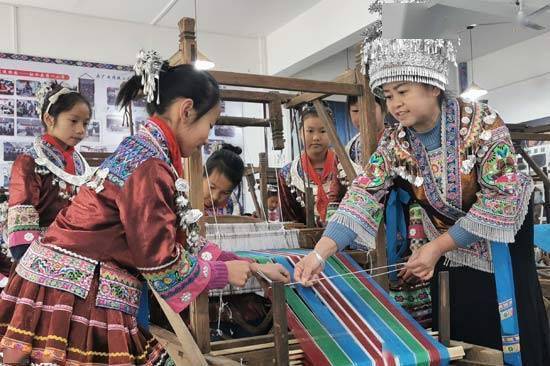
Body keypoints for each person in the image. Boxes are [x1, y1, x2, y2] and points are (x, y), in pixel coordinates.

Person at [0, 50, 289, 365]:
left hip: (70, 282)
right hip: (75, 289)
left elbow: (181, 241)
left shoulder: (146, 152)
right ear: (187, 111)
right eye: (211, 122)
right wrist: (221, 272)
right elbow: (160, 262)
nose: (208, 136)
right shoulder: (149, 164)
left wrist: (255, 266)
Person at [295, 38, 549, 365]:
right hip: (446, 242)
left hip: (503, 236)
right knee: (460, 325)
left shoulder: (483, 124)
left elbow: (501, 199)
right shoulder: (395, 142)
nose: (395, 104)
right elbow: (362, 196)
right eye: (388, 96)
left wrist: (437, 246)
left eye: (403, 91)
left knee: (506, 325)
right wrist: (320, 253)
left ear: (432, 88)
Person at [5, 81, 93, 262]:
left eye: (85, 123)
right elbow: (22, 229)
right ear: (49, 119)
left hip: (82, 252)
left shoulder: (81, 164)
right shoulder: (29, 162)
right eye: (73, 121)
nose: (81, 130)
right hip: (41, 256)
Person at [278, 102, 347, 227]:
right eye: (310, 131)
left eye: (323, 131)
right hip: (304, 242)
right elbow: (289, 220)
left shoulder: (346, 167)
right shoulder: (287, 174)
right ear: (300, 133)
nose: (316, 137)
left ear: (332, 133)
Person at [203, 143, 244, 216]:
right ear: (202, 175)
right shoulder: (183, 201)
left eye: (225, 193)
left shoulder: (230, 208)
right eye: (212, 187)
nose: (215, 197)